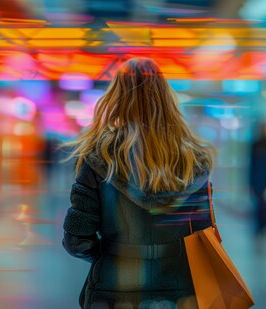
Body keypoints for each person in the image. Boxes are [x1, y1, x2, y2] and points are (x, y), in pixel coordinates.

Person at [62, 57, 215, 308]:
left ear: (116, 99)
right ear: (165, 98)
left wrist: (113, 256)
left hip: (114, 290)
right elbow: (203, 234)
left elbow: (76, 240)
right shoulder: (193, 160)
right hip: (180, 292)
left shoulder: (99, 157)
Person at [248, 123, 266, 237]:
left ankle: (264, 225)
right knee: (259, 202)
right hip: (258, 178)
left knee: (264, 202)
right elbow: (252, 164)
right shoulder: (256, 144)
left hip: (264, 178)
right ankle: (260, 225)